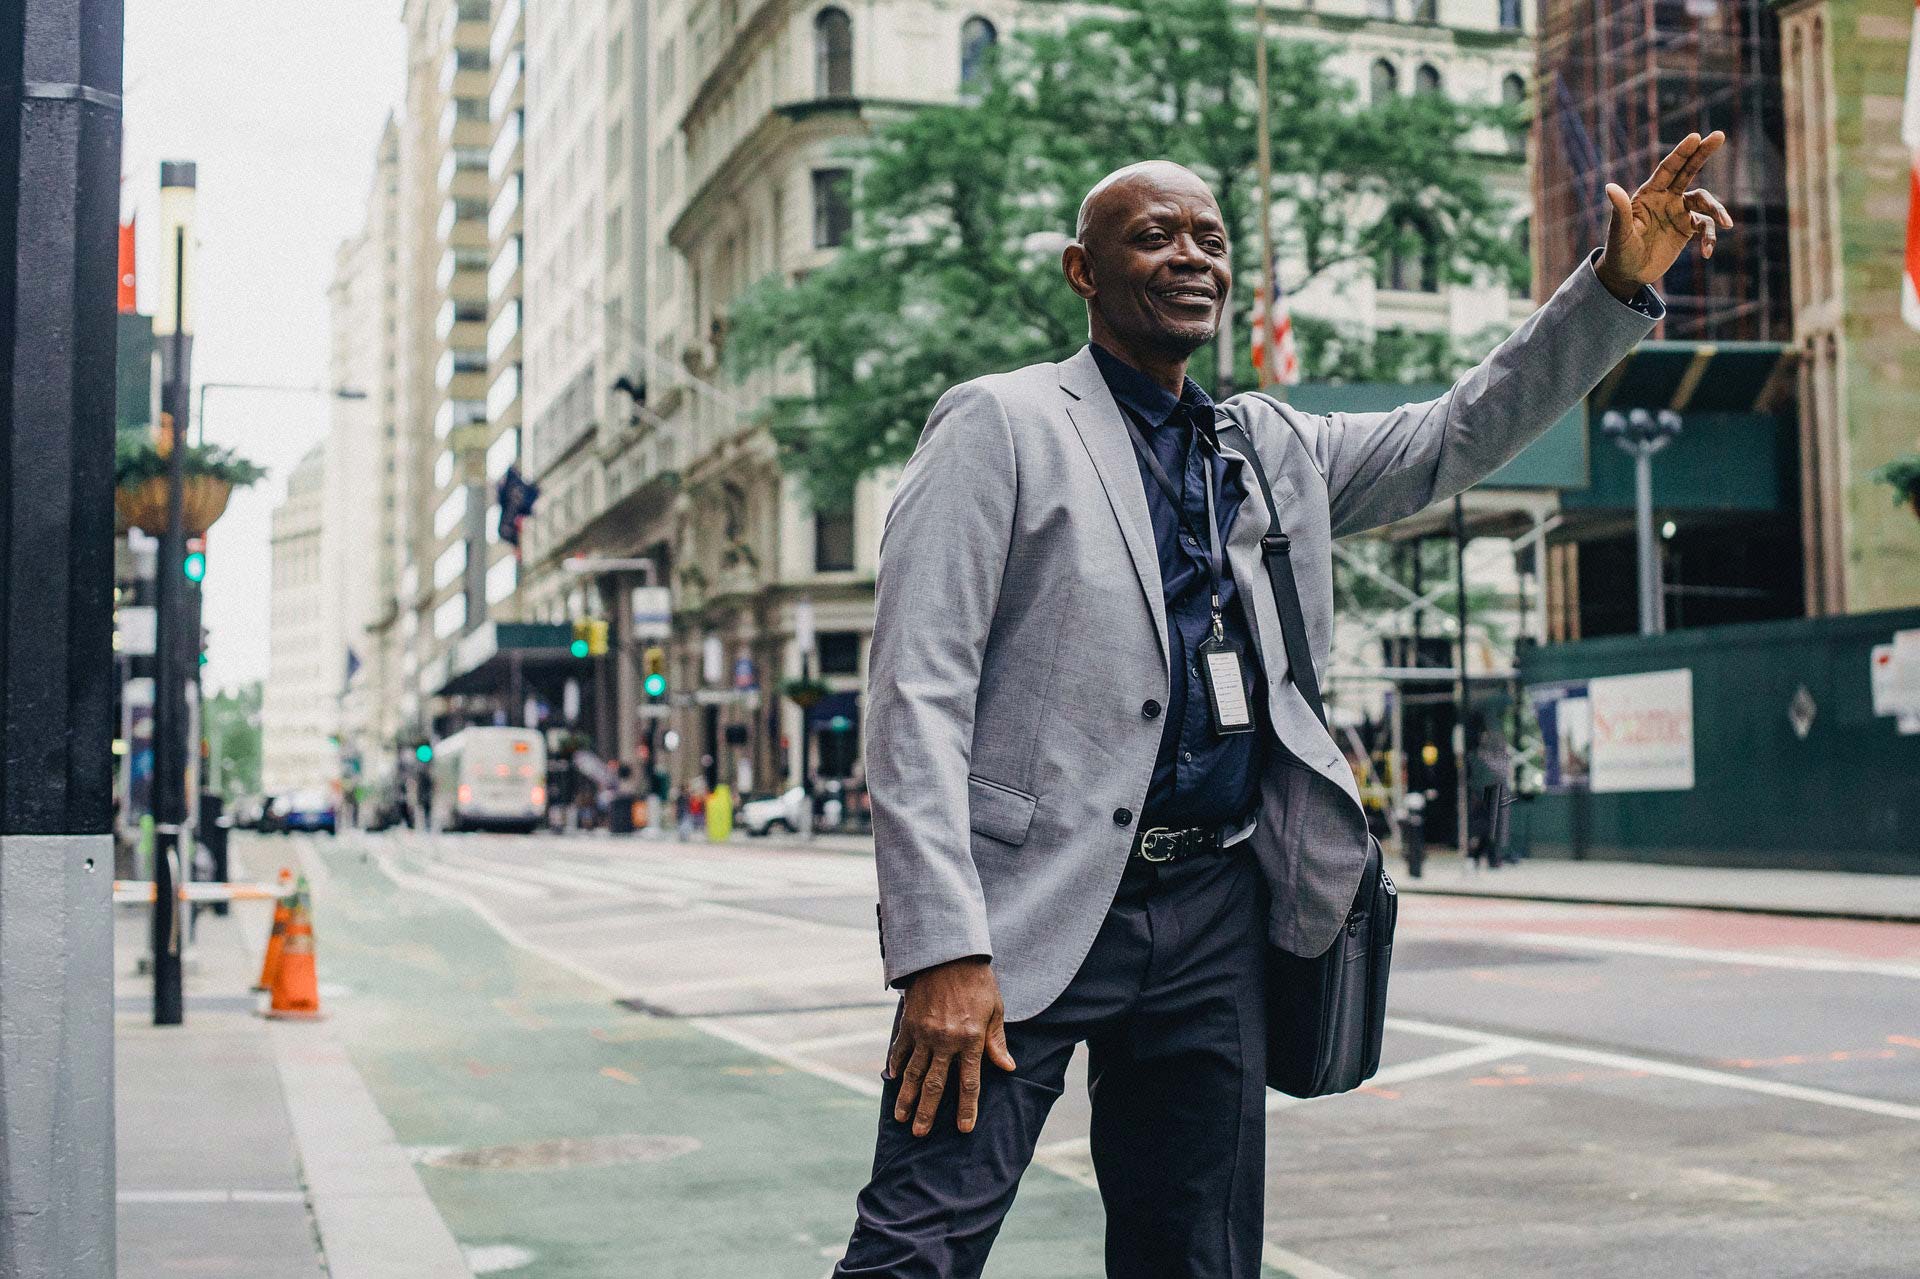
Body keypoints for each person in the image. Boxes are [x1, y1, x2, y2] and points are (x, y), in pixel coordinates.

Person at [838, 138, 1731, 1278]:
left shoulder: (1264, 445)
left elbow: (1460, 431)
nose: (1189, 256)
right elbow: (915, 693)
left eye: (1209, 238)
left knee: (1198, 1256)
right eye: (1154, 236)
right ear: (1084, 271)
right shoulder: (999, 425)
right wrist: (940, 950)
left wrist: (1612, 286)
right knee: (918, 1245)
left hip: (1214, 908)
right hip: (1025, 909)